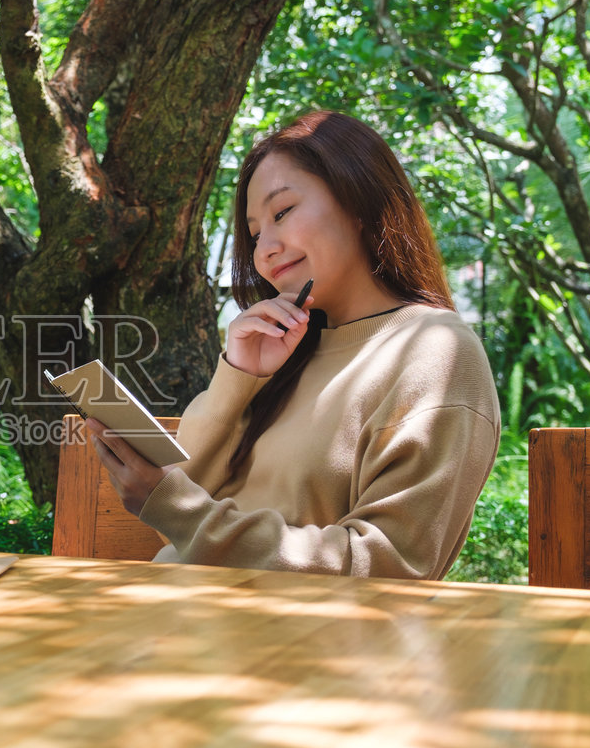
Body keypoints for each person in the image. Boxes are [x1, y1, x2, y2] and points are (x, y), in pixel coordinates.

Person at [86, 110, 500, 579]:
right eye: (255, 234)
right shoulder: (286, 352)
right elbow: (179, 525)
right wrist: (239, 376)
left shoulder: (435, 352)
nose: (264, 250)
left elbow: (387, 567)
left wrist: (176, 507)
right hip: (168, 604)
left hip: (264, 624)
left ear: (359, 197)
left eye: (282, 212)